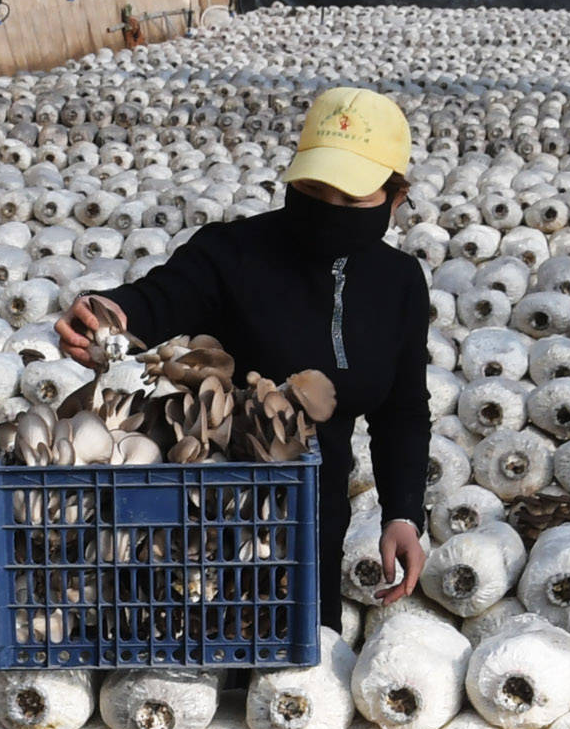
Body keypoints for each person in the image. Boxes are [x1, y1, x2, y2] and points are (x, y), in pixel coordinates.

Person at [54, 84, 434, 615]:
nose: (329, 209)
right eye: (315, 189)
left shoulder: (399, 283)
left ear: (395, 197)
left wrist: (403, 515)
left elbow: (403, 411)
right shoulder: (232, 253)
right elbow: (159, 298)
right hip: (205, 510)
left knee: (294, 664)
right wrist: (106, 311)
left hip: (314, 511)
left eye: (351, 200)